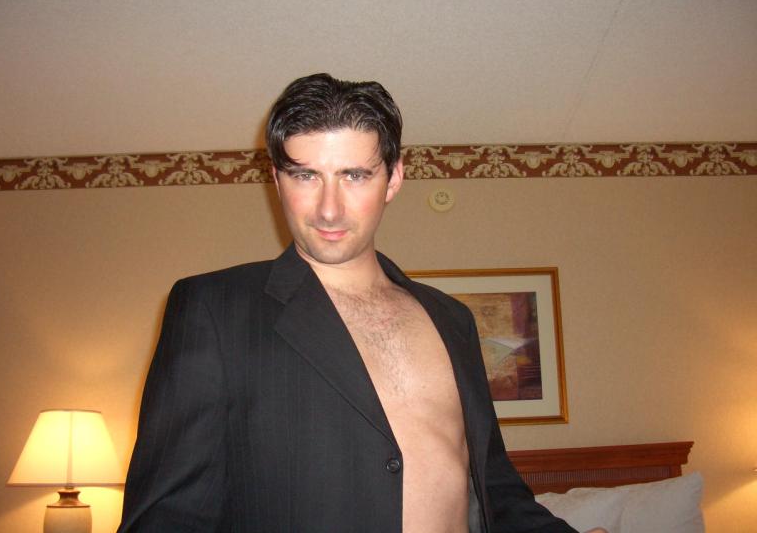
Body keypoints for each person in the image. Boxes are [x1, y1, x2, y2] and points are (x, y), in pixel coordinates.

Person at [118, 74, 602, 532]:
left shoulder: (453, 320)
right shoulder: (214, 310)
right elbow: (167, 517)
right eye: (305, 175)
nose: (328, 209)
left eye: (353, 175)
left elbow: (497, 489)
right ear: (277, 179)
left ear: (393, 179)